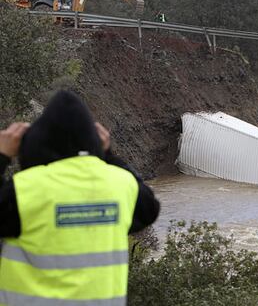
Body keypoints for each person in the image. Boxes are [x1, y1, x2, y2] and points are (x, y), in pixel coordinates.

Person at [0, 90, 160, 305]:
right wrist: (109, 155)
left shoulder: (25, 190)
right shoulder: (121, 185)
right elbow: (148, 210)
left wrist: (2, 155)